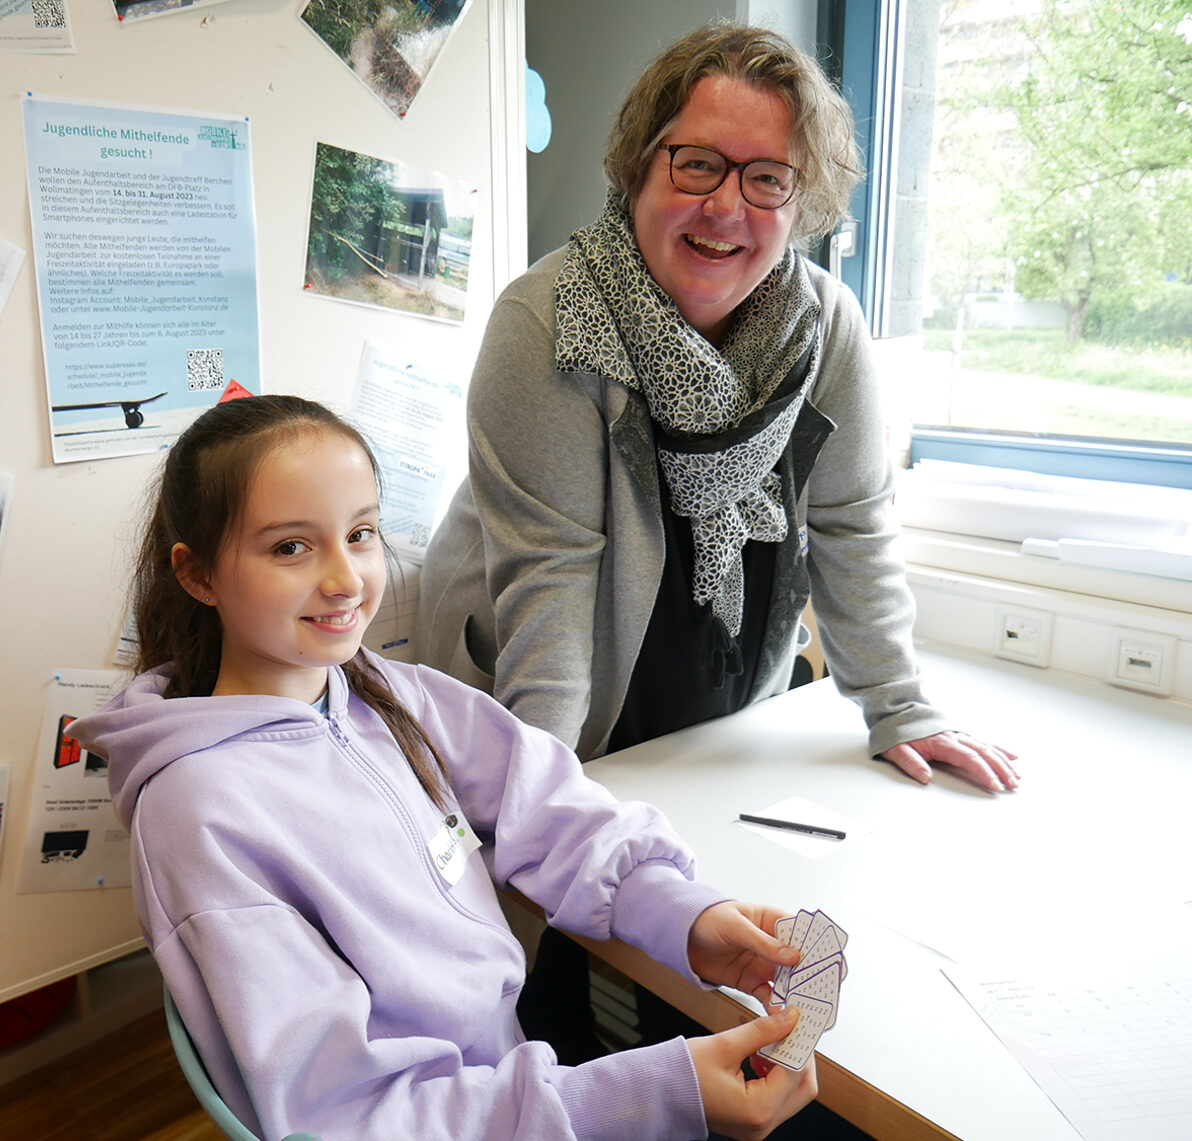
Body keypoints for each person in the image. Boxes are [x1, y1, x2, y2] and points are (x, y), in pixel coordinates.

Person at [414, 22, 1018, 1066]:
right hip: (541, 672)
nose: (724, 205)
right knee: (560, 973)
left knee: (706, 923)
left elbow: (851, 523)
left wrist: (896, 704)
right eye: (695, 162)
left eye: (766, 178)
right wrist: (531, 809)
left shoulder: (824, 327)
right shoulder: (547, 321)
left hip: (709, 664)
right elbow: (549, 588)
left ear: (803, 201)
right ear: (640, 163)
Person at [71, 394, 818, 1141]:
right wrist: (652, 1090)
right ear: (198, 575)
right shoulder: (199, 812)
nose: (345, 578)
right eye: (291, 547)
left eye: (360, 533)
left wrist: (686, 916)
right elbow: (353, 1115)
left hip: (506, 1081)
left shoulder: (385, 691)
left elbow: (547, 800)